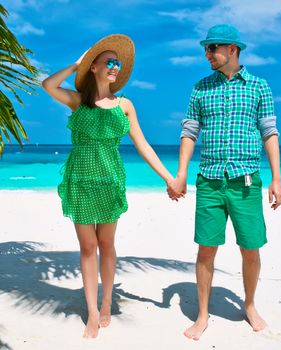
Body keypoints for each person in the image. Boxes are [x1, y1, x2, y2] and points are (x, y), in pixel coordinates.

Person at [42, 34, 178, 338]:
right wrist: (77, 63)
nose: (115, 66)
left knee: (106, 245)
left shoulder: (125, 105)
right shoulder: (78, 102)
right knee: (88, 247)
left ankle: (106, 302)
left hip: (109, 181)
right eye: (109, 62)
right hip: (80, 181)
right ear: (94, 68)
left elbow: (142, 144)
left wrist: (168, 177)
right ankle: (92, 313)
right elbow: (48, 85)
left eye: (117, 63)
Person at [169, 24, 281, 340]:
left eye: (212, 48)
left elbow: (269, 132)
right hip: (209, 180)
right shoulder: (200, 88)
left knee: (250, 247)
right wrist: (180, 175)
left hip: (246, 181)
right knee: (206, 248)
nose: (207, 54)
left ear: (232, 49)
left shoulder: (259, 87)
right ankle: (203, 314)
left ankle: (249, 305)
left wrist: (276, 178)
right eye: (205, 49)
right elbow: (189, 133)